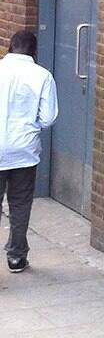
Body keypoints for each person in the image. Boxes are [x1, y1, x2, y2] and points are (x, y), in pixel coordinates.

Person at [0, 29, 59, 274]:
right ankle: (16, 257)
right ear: (34, 51)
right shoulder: (42, 76)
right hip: (23, 151)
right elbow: (48, 118)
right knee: (20, 204)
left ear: (10, 47)